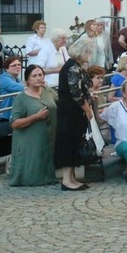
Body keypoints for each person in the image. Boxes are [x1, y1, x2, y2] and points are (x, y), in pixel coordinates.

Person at [54, 38, 96, 191]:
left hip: (73, 112)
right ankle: (67, 180)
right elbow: (76, 93)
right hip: (70, 112)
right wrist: (88, 109)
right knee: (69, 143)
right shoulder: (72, 68)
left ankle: (71, 177)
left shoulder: (74, 66)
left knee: (74, 142)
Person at [8, 64, 57, 187]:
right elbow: (14, 123)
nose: (38, 78)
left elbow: (60, 102)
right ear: (28, 80)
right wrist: (35, 117)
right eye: (34, 76)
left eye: (40, 75)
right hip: (29, 140)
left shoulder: (48, 91)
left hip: (48, 137)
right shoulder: (21, 98)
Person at [0, 56, 24, 157]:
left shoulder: (16, 79)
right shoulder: (4, 78)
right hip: (4, 115)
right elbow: (19, 88)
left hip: (12, 114)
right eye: (14, 65)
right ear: (7, 68)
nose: (18, 67)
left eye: (19, 65)